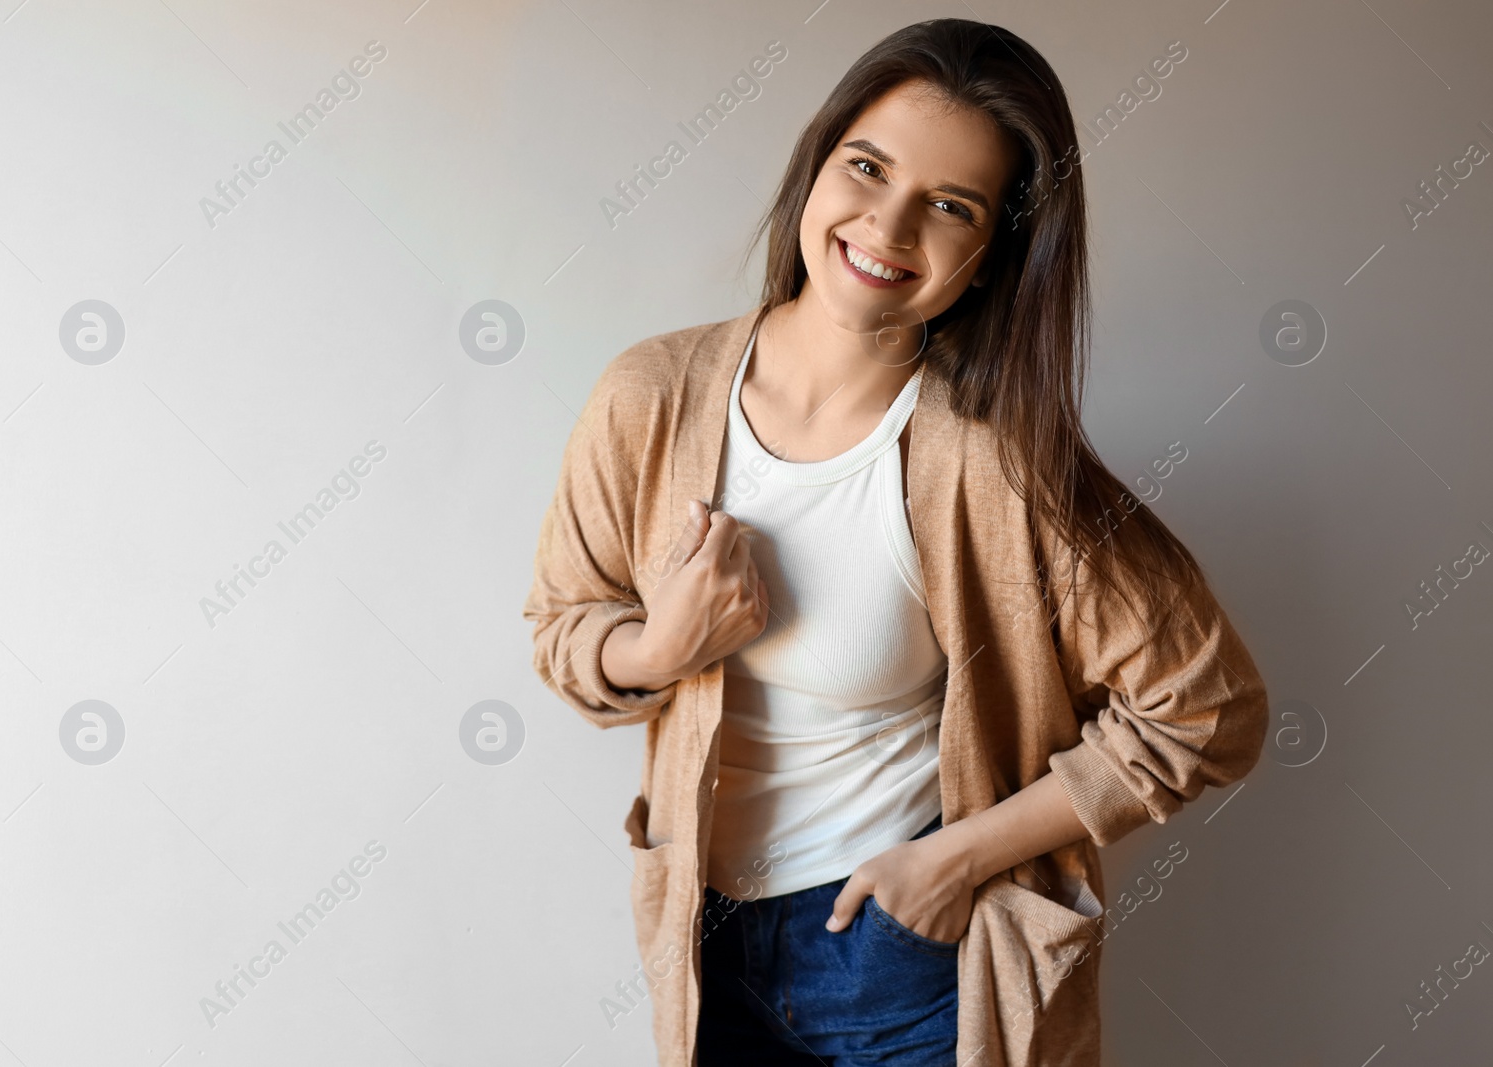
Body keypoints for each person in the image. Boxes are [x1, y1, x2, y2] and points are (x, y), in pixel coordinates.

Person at [523, 18, 1268, 1067]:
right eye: (865, 166)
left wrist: (958, 859)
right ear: (818, 160)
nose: (887, 223)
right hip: (703, 947)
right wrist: (657, 650)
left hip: (909, 962)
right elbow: (563, 623)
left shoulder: (998, 464)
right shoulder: (650, 396)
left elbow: (1207, 711)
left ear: (993, 251)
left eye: (950, 206)